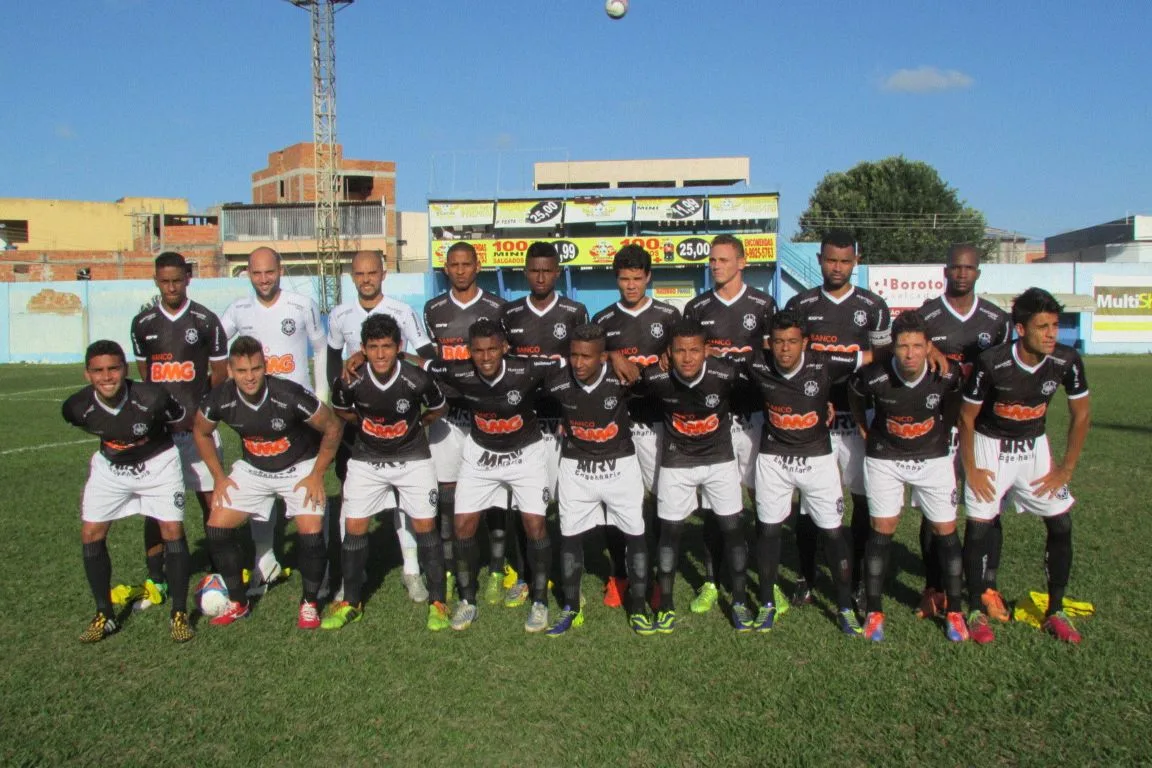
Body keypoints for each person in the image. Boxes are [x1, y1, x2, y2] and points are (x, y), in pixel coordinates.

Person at [959, 288, 1090, 644]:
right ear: (1020, 329)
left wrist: (1066, 468)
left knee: (1061, 523)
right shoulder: (992, 362)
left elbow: (1081, 414)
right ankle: (974, 608)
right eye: (1042, 326)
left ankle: (1056, 610)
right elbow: (967, 416)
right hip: (991, 448)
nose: (1051, 334)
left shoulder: (1066, 360)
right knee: (979, 526)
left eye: (1055, 326)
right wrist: (970, 467)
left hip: (1034, 448)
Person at [192, 336, 342, 629]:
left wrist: (316, 474)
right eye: (243, 371)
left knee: (310, 533)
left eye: (256, 369)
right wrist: (219, 477)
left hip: (299, 467)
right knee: (217, 526)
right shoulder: (220, 397)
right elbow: (201, 432)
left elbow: (333, 427)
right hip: (254, 469)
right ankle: (238, 601)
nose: (250, 377)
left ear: (265, 366)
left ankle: (310, 603)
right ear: (232, 371)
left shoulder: (288, 394)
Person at [425, 319, 559, 632]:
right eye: (478, 351)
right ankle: (467, 601)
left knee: (535, 523)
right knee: (463, 525)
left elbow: (569, 362)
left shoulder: (525, 369)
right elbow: (425, 364)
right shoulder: (459, 371)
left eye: (492, 350)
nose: (485, 357)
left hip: (525, 453)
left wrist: (611, 357)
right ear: (469, 351)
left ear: (504, 348)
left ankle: (539, 602)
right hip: (481, 455)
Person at [784, 230, 891, 609]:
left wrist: (847, 368)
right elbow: (794, 360)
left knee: (863, 499)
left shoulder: (874, 306)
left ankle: (860, 578)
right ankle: (806, 577)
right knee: (809, 503)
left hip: (860, 416)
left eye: (845, 261)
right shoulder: (801, 304)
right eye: (831, 260)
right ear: (819, 259)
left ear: (856, 263)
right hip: (815, 417)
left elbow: (881, 360)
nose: (838, 267)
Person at [62, 340, 194, 643]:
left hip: (157, 465)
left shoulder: (152, 397)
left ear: (125, 369)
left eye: (113, 368)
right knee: (91, 533)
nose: (106, 377)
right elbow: (89, 425)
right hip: (111, 468)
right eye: (98, 371)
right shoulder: (75, 407)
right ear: (87, 375)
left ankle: (179, 613)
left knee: (171, 529)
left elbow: (178, 418)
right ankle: (104, 614)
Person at [848, 311, 968, 643]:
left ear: (929, 347)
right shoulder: (873, 376)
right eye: (903, 346)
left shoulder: (946, 375)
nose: (910, 353)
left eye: (917, 346)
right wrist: (862, 426)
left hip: (932, 459)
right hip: (886, 457)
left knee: (946, 530)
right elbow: (855, 395)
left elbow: (955, 402)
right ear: (894, 347)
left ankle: (955, 610)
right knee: (882, 529)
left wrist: (944, 434)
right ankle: (874, 611)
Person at [742, 312, 863, 635]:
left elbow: (875, 356)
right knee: (768, 530)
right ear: (769, 343)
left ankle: (845, 606)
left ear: (805, 343)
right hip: (774, 461)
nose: (784, 349)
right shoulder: (756, 363)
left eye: (792, 342)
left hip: (818, 462)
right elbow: (712, 360)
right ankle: (767, 603)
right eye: (778, 342)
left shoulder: (824, 363)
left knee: (834, 532)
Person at [327, 315, 450, 631]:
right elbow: (340, 409)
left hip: (412, 459)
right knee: (354, 525)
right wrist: (363, 424)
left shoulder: (416, 379)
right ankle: (351, 602)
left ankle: (438, 602)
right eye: (373, 347)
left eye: (387, 346)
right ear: (363, 350)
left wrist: (420, 424)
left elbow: (439, 407)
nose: (380, 354)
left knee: (424, 525)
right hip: (367, 459)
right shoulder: (350, 380)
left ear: (398, 347)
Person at [327, 250, 436, 602]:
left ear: (383, 273)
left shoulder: (402, 311)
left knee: (406, 503)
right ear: (352, 276)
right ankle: (349, 579)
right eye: (359, 274)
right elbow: (333, 365)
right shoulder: (340, 315)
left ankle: (411, 570)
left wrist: (388, 356)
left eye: (371, 272)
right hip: (362, 422)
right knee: (352, 499)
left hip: (402, 423)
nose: (366, 279)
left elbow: (427, 359)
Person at [220, 247, 328, 593]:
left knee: (311, 491)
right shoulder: (238, 310)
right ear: (247, 274)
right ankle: (264, 561)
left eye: (269, 272)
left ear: (280, 270)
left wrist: (322, 397)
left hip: (301, 413)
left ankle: (321, 568)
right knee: (260, 488)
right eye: (256, 273)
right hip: (258, 412)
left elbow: (321, 349)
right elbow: (216, 347)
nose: (264, 279)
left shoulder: (301, 305)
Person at [915, 244, 1012, 620]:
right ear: (945, 271)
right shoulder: (927, 315)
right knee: (933, 508)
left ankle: (986, 586)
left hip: (983, 427)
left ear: (978, 273)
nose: (961, 274)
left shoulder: (996, 320)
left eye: (968, 268)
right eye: (955, 267)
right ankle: (934, 587)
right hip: (937, 423)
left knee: (987, 507)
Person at [681, 234, 776, 615]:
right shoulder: (696, 306)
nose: (715, 265)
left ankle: (762, 577)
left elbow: (774, 358)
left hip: (753, 416)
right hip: (713, 418)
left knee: (760, 498)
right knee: (710, 503)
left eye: (722, 259)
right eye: (712, 260)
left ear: (742, 262)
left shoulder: (763, 304)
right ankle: (710, 580)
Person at [540, 324, 652, 636]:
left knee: (635, 534)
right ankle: (571, 607)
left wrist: (622, 357)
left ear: (602, 357)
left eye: (586, 357)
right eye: (573, 355)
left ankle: (640, 608)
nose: (578, 363)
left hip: (621, 467)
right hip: (577, 468)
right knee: (570, 536)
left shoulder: (621, 377)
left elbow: (652, 379)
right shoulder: (557, 381)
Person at [130, 251, 227, 607]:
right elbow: (145, 376)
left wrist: (203, 414)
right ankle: (157, 579)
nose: (171, 287)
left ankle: (220, 571)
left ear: (188, 278)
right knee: (155, 507)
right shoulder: (142, 323)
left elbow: (219, 375)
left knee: (211, 501)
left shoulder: (205, 320)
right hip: (159, 436)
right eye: (164, 281)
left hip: (197, 431)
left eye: (177, 280)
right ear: (156, 280)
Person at [640, 319, 750, 633]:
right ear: (668, 353)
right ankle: (667, 604)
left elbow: (767, 389)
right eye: (680, 351)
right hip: (677, 462)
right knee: (670, 534)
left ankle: (739, 601)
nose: (687, 358)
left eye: (694, 350)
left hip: (719, 461)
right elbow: (623, 397)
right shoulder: (655, 378)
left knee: (732, 529)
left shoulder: (725, 374)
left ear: (707, 351)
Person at [496, 241, 589, 605]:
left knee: (566, 503)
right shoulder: (510, 314)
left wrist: (573, 414)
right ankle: (525, 575)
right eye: (534, 270)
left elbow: (585, 367)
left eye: (547, 270)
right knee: (525, 504)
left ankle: (566, 577)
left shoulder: (575, 312)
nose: (540, 276)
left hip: (563, 421)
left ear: (558, 273)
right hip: (524, 422)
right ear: (524, 271)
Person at [591, 244, 679, 608]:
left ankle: (658, 576)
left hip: (659, 421)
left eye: (637, 278)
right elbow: (585, 358)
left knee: (659, 501)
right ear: (616, 279)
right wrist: (610, 354)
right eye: (624, 279)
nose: (630, 285)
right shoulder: (603, 319)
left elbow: (687, 357)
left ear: (648, 277)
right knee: (617, 502)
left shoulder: (669, 315)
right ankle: (620, 575)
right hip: (618, 423)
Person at [423, 242, 506, 601]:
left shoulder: (496, 308)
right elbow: (428, 357)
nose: (459, 270)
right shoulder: (433, 308)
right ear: (446, 269)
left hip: (484, 414)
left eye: (466, 264)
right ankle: (448, 565)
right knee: (447, 493)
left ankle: (499, 570)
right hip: (446, 418)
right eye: (453, 265)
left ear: (477, 266)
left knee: (496, 493)